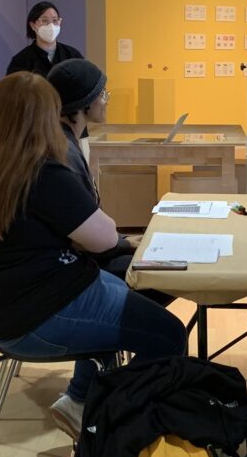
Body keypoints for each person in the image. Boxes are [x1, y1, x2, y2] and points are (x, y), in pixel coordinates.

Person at [0, 72, 186, 441]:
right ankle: (118, 421)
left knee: (141, 300)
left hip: (1, 317)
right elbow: (105, 238)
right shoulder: (41, 172)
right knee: (169, 335)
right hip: (44, 314)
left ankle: (82, 399)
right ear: (48, 116)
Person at [45, 59, 174, 306]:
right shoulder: (63, 153)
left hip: (80, 258)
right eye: (102, 94)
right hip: (77, 270)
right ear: (85, 102)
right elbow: (89, 240)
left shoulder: (61, 141)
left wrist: (124, 241)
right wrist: (124, 244)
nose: (106, 100)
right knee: (173, 271)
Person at [5, 1, 83, 76]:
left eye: (55, 20)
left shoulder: (72, 55)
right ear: (33, 25)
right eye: (45, 21)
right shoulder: (21, 61)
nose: (51, 26)